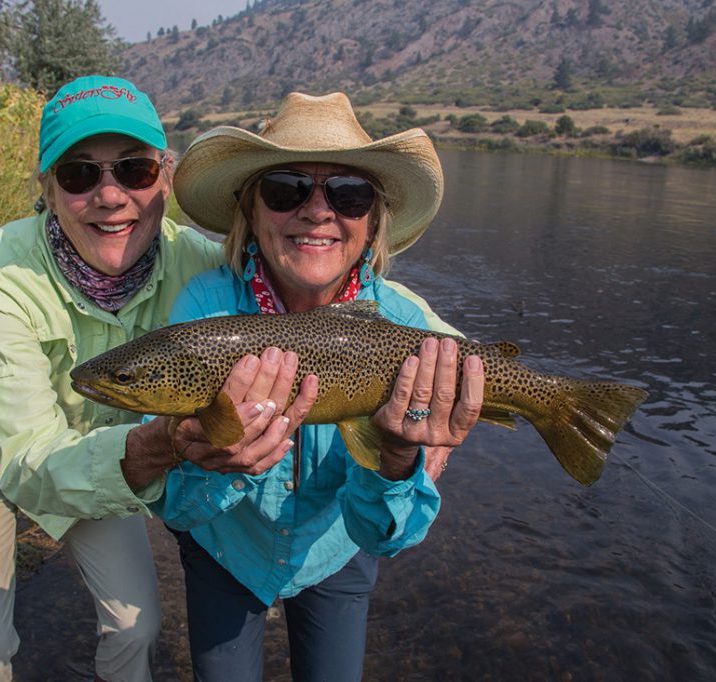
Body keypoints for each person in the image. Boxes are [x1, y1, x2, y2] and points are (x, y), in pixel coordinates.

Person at [0, 76, 317, 682]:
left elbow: (345, 303)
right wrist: (161, 445)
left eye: (132, 171)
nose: (110, 196)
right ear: (48, 191)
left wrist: (444, 374)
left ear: (165, 180)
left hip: (100, 449)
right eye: (80, 175)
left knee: (138, 630)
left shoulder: (205, 269)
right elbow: (27, 460)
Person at [154, 91, 485, 681]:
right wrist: (212, 458)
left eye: (348, 194)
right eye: (285, 190)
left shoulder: (410, 329)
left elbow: (386, 537)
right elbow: (178, 507)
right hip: (226, 549)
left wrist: (399, 454)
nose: (317, 211)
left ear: (373, 217)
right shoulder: (203, 312)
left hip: (336, 551)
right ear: (249, 211)